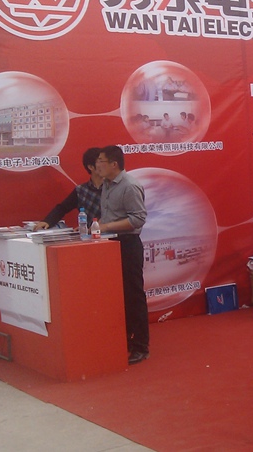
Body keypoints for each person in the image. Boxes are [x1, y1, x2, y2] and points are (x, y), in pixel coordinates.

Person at [96, 145, 149, 365]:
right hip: (110, 244)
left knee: (133, 295)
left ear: (114, 164)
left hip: (128, 244)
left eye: (101, 161)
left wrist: (106, 226)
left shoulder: (129, 186)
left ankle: (141, 346)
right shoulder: (106, 185)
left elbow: (138, 219)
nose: (97, 165)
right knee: (117, 295)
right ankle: (124, 339)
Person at [35, 147, 103, 230]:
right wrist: (48, 221)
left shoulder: (113, 188)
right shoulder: (81, 190)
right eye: (101, 162)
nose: (105, 166)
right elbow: (62, 208)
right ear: (91, 167)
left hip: (110, 233)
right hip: (89, 234)